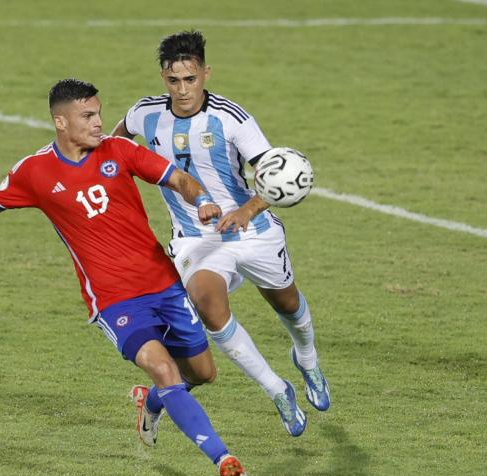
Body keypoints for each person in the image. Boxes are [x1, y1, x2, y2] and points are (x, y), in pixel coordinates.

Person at [0, 78, 252, 476]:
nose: (99, 123)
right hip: (113, 298)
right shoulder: (34, 172)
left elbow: (178, 179)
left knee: (202, 374)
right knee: (164, 367)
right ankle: (225, 460)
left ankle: (150, 401)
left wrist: (201, 199)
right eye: (88, 116)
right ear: (61, 122)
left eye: (98, 113)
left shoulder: (120, 151)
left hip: (163, 284)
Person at [112, 31, 330, 439]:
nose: (182, 90)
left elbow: (274, 175)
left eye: (190, 79)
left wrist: (246, 210)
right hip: (196, 239)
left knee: (289, 305)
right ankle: (277, 389)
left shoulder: (232, 117)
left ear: (205, 73)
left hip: (254, 231)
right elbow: (113, 144)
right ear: (163, 77)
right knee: (206, 300)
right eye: (173, 81)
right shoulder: (144, 114)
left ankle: (306, 358)